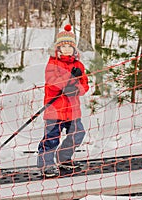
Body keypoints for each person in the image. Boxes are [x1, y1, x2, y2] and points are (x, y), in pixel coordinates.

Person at [37, 24, 89, 177]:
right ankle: (46, 164)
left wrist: (76, 88)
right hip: (55, 109)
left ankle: (64, 158)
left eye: (69, 46)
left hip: (73, 110)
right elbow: (52, 83)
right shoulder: (52, 63)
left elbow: (85, 85)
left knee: (78, 133)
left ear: (74, 48)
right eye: (63, 46)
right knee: (52, 138)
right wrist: (69, 80)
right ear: (58, 48)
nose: (66, 49)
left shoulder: (79, 65)